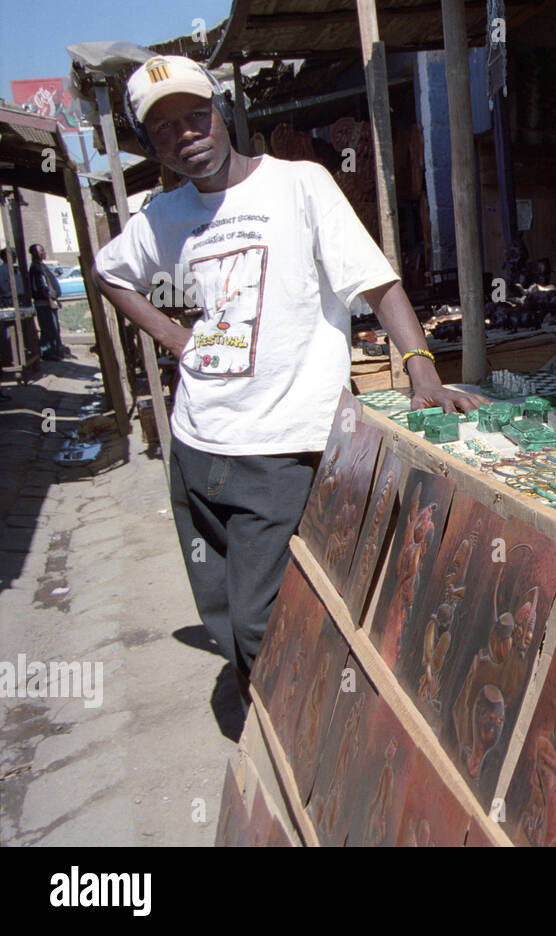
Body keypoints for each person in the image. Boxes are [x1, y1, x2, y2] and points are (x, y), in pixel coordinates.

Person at [93, 55, 488, 712]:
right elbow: (110, 273)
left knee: (257, 618)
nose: (186, 132)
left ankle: (296, 743)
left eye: (195, 113)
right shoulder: (165, 216)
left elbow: (376, 280)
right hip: (197, 445)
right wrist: (176, 339)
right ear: (152, 145)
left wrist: (422, 367)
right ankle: (270, 725)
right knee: (224, 612)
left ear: (220, 112)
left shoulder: (300, 185)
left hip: (279, 448)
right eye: (164, 128)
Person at [29, 244, 66, 360]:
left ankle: (55, 350)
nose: (44, 253)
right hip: (44, 303)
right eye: (41, 251)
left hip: (49, 301)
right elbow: (41, 286)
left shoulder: (41, 266)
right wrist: (50, 300)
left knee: (54, 327)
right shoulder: (36, 268)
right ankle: (47, 352)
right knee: (48, 328)